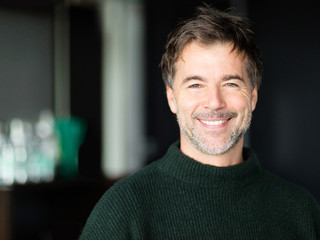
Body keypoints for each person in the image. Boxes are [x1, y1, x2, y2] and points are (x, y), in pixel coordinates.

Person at [80, 5, 320, 239]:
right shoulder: (124, 209)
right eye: (195, 85)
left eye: (231, 84)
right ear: (171, 98)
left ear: (253, 96)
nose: (214, 102)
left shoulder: (300, 210)